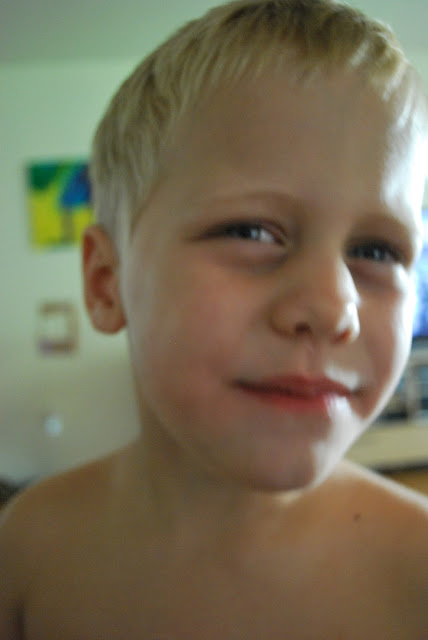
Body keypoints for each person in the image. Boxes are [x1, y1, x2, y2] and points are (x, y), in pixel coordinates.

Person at [1, 0, 428, 637]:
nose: (333, 308)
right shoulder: (30, 548)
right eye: (251, 231)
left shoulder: (415, 570)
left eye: (377, 250)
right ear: (106, 282)